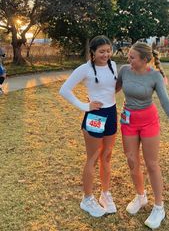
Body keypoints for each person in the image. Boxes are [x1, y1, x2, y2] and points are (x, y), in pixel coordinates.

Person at [116, 42, 169, 230]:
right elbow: (113, 89)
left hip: (148, 122)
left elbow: (165, 101)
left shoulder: (155, 76)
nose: (128, 60)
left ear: (145, 60)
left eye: (132, 57)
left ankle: (158, 207)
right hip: (128, 120)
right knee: (132, 160)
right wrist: (95, 98)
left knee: (152, 164)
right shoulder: (124, 70)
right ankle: (140, 196)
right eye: (129, 56)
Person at [59, 35, 118, 218]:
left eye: (108, 50)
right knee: (92, 158)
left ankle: (105, 193)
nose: (106, 54)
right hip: (95, 116)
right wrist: (86, 106)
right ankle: (87, 199)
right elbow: (64, 90)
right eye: (101, 51)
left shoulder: (113, 65)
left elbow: (112, 88)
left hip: (111, 113)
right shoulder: (84, 69)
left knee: (106, 156)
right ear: (92, 52)